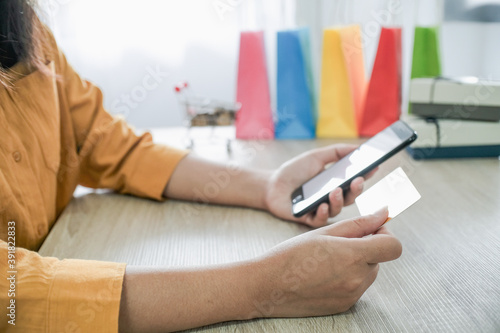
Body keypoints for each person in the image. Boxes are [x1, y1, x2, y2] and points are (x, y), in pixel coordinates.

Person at [0, 1, 402, 332]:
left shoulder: (27, 28)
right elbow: (14, 294)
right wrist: (262, 287)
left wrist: (265, 187)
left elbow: (111, 147)